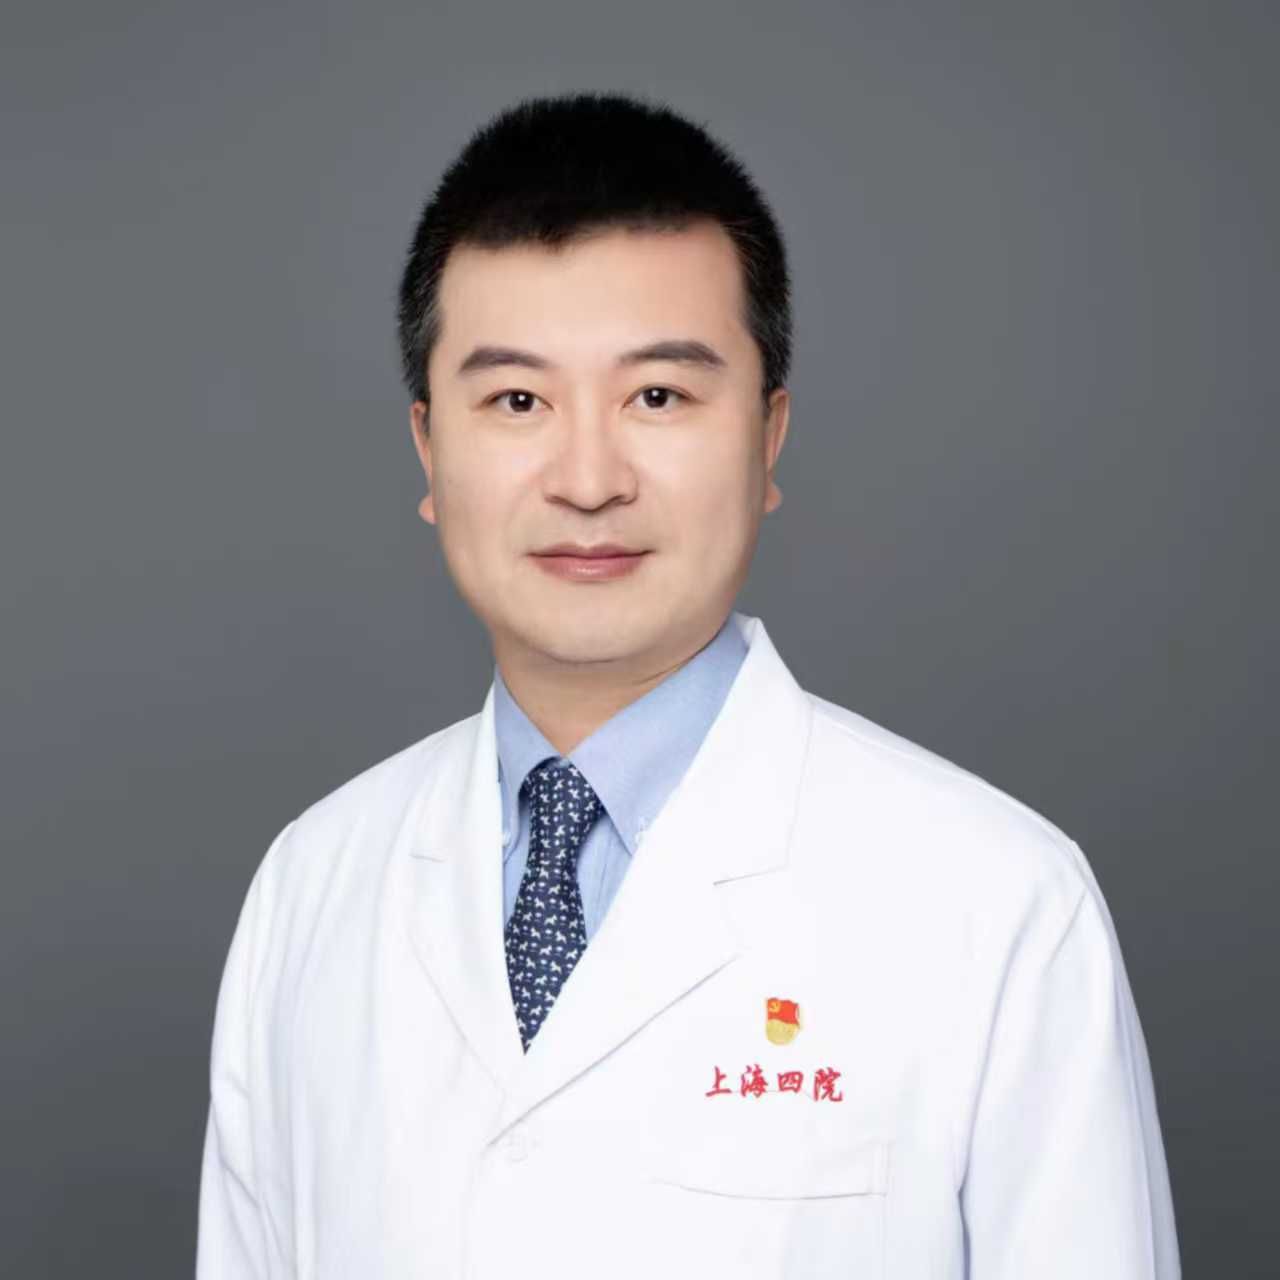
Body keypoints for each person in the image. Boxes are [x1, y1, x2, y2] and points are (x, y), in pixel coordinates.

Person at [196, 90, 1181, 1279]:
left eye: (657, 395)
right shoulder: (311, 884)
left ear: (765, 438)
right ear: (428, 448)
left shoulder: (998, 900)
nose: (587, 477)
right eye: (516, 400)